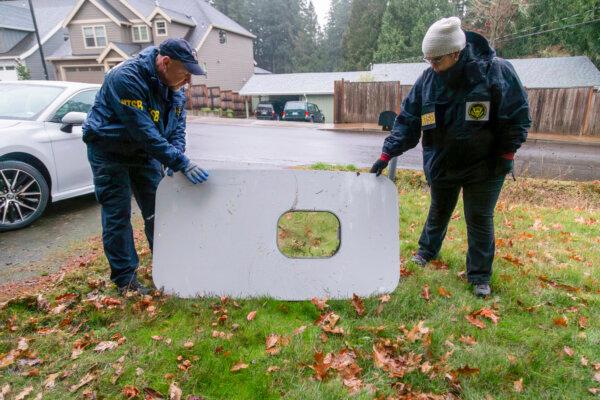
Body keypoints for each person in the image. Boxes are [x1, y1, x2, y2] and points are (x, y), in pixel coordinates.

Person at [370, 17, 530, 297]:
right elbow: (408, 120)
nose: (431, 66)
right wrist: (387, 153)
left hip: (486, 165)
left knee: (479, 217)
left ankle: (479, 276)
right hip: (443, 162)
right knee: (439, 209)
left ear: (455, 53)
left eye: (437, 59)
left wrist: (507, 152)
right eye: (427, 59)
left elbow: (517, 116)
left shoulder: (495, 72)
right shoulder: (428, 81)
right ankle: (426, 251)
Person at [82, 38, 210, 295]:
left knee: (159, 211)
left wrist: (177, 156)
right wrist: (180, 161)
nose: (188, 81)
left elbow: (177, 129)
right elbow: (144, 132)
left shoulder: (174, 88)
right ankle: (125, 280)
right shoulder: (126, 78)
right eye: (185, 73)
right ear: (165, 63)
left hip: (144, 153)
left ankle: (168, 266)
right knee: (118, 214)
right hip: (109, 150)